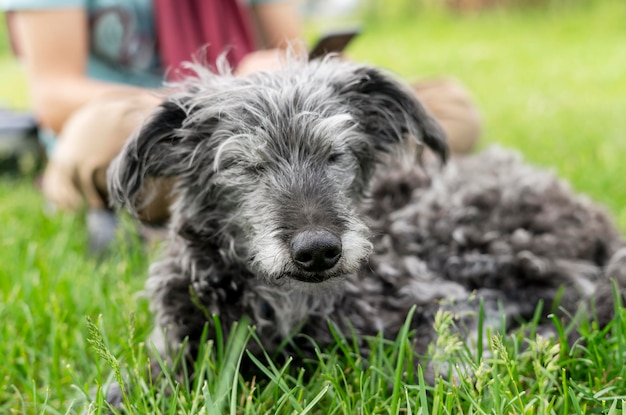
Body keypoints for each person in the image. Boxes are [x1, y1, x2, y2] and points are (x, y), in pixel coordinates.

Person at [2, 0, 481, 251]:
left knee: (448, 106)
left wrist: (305, 73)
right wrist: (219, 95)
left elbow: (296, 59)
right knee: (102, 137)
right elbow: (54, 94)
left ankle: (331, 171)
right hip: (152, 116)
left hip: (269, 121)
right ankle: (152, 205)